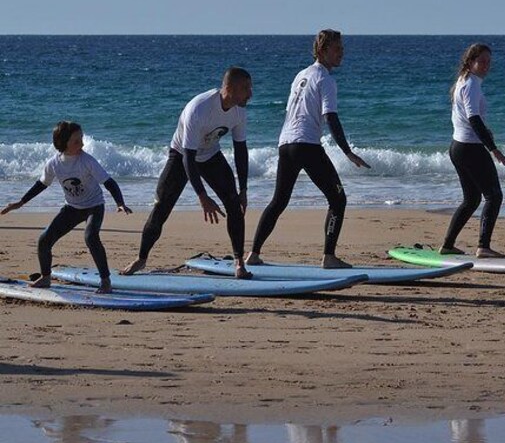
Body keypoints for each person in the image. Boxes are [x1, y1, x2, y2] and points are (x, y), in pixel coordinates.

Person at [246, 29, 370, 269]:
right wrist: (347, 152)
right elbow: (331, 117)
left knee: (278, 201)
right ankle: (329, 257)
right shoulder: (326, 79)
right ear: (323, 51)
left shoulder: (301, 75)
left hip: (286, 144)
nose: (341, 53)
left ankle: (253, 253)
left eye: (342, 48)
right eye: (337, 49)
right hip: (307, 145)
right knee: (338, 199)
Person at [121, 67, 253, 278]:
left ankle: (239, 263)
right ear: (229, 88)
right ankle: (141, 258)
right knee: (161, 206)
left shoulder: (239, 111)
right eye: (246, 88)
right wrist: (202, 197)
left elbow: (240, 151)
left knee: (234, 203)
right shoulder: (199, 109)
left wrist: (244, 189)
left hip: (210, 155)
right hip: (182, 154)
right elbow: (188, 159)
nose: (251, 93)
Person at [1, 121, 132, 293]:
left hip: (94, 205)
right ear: (63, 143)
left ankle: (105, 281)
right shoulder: (54, 164)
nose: (82, 144)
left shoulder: (87, 161)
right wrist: (21, 202)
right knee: (44, 240)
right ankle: (46, 277)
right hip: (72, 208)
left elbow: (109, 182)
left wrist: (120, 203)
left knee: (91, 237)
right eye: (77, 141)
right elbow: (41, 184)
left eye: (82, 139)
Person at [439, 43, 505, 258]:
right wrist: (493, 148)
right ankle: (483, 246)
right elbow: (474, 119)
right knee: (494, 196)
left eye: (489, 62)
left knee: (471, 199)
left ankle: (448, 245)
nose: (487, 66)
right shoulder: (471, 85)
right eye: (482, 61)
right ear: (470, 62)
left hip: (458, 148)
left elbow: (470, 119)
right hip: (470, 148)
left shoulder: (464, 81)